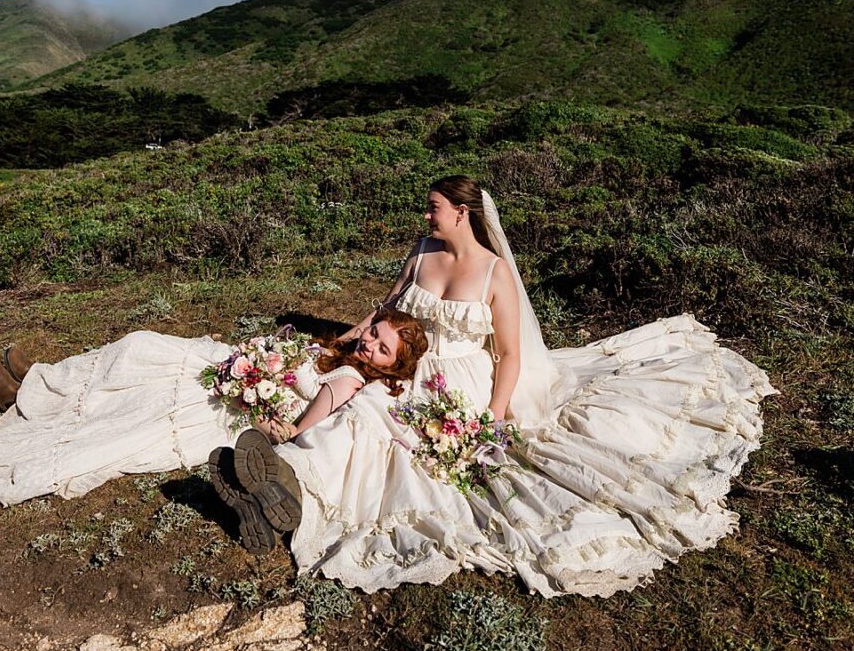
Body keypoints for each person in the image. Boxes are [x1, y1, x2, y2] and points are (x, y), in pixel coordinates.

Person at [238, 175, 778, 598]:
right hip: (415, 366)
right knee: (362, 408)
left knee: (379, 424)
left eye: (433, 207)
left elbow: (512, 353)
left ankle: (289, 484)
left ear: (462, 212)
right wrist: (339, 344)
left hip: (464, 378)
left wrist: (493, 414)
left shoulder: (495, 272)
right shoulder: (422, 251)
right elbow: (385, 309)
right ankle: (286, 479)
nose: (426, 215)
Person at [0, 312, 428, 522]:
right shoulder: (346, 351)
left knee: (137, 399)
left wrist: (257, 398)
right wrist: (255, 358)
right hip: (232, 372)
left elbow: (297, 428)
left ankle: (27, 392)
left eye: (382, 349)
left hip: (236, 404)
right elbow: (319, 349)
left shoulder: (350, 380)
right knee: (140, 347)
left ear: (391, 366)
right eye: (375, 333)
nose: (370, 343)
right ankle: (41, 381)